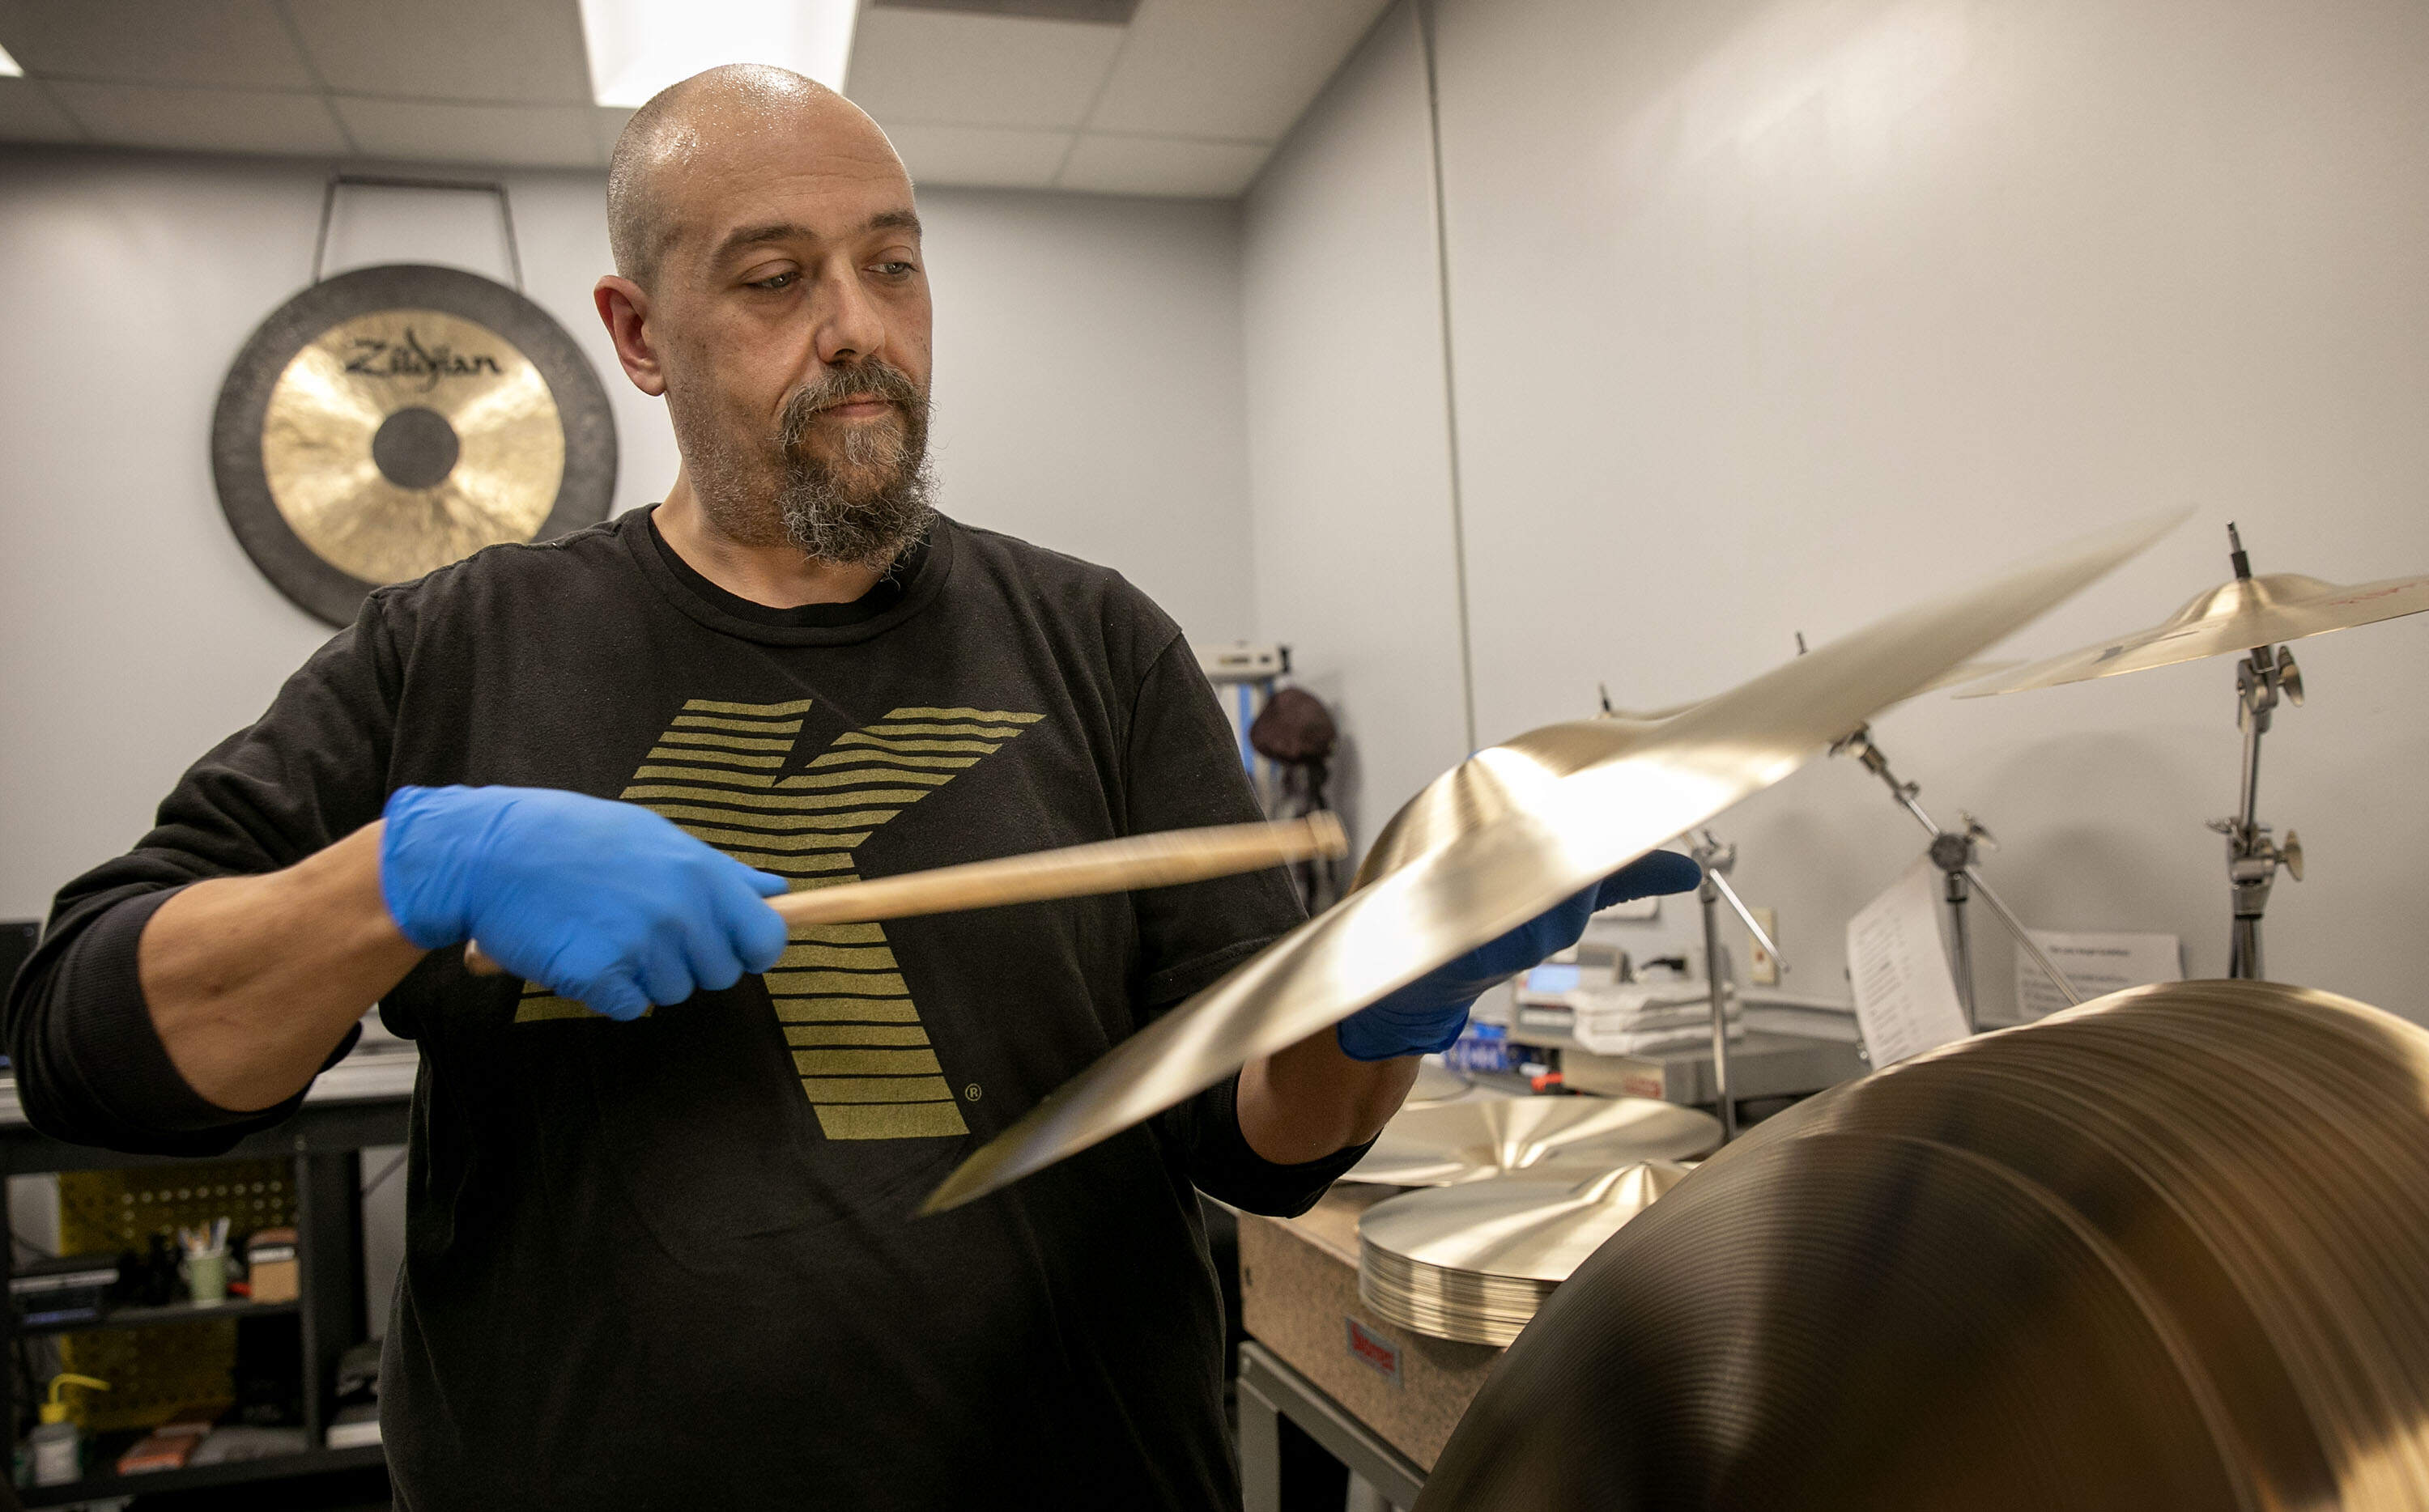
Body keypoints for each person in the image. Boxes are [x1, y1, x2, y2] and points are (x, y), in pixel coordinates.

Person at [6, 67, 1696, 1510]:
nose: (860, 333)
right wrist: (403, 873)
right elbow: (86, 1035)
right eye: (774, 279)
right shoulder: (458, 648)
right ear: (638, 334)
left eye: (896, 268)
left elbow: (1254, 1140)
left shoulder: (1100, 642)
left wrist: (1379, 1001)